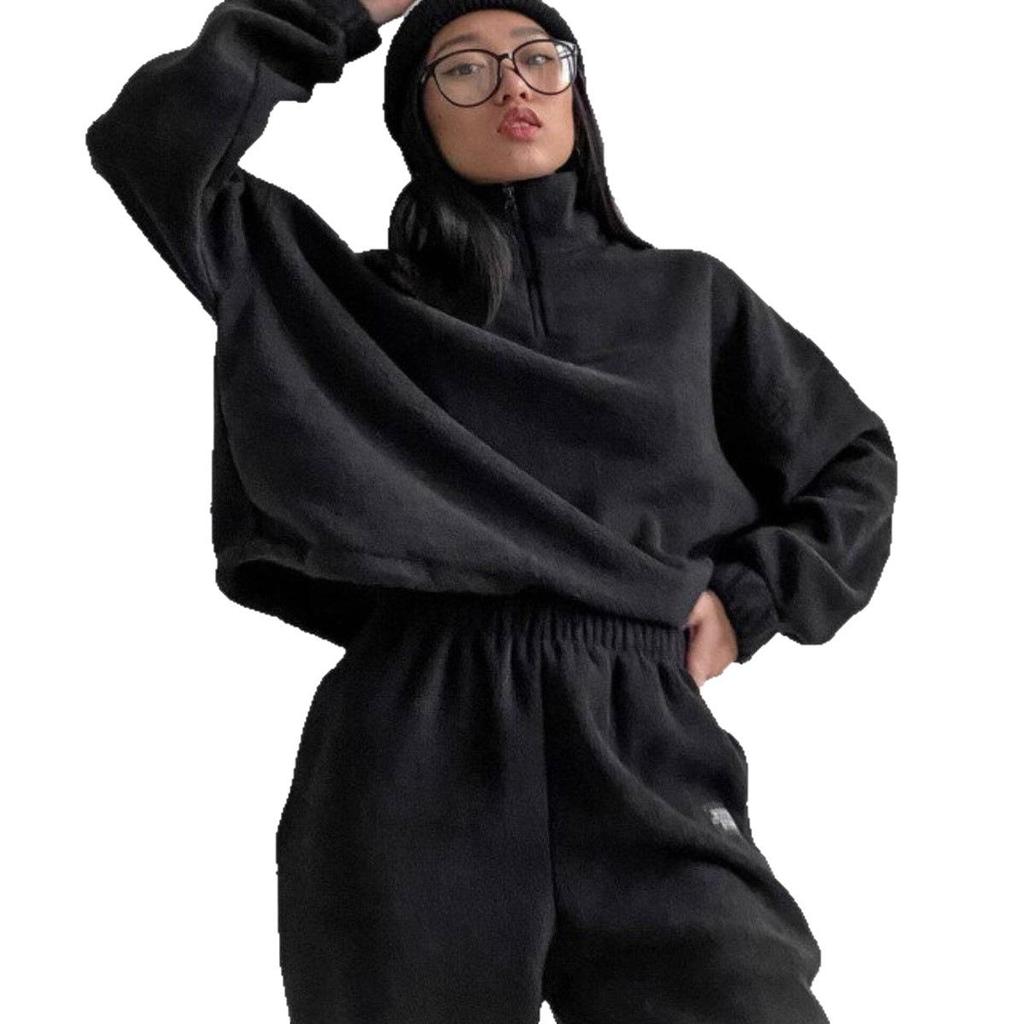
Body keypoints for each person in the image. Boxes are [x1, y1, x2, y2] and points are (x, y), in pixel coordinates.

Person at [85, 0, 898, 1021]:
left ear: (575, 90)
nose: (513, 85)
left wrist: (750, 599)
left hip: (639, 721)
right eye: (463, 69)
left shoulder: (691, 300)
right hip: (417, 726)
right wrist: (341, 9)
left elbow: (851, 462)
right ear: (415, 118)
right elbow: (152, 143)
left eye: (538, 59)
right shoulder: (345, 306)